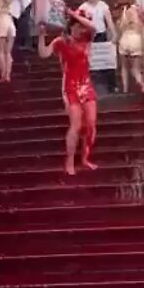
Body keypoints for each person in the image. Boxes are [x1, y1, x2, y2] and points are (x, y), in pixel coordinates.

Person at [38, 9, 99, 175]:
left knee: (91, 124)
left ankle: (85, 158)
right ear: (70, 27)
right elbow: (44, 54)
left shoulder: (88, 39)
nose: (81, 30)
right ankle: (70, 160)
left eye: (82, 27)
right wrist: (42, 35)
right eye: (78, 27)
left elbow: (93, 27)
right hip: (70, 86)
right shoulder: (61, 41)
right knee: (76, 125)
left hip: (86, 85)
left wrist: (74, 14)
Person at [117, 4, 144, 94]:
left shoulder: (125, 13)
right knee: (135, 68)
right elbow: (143, 27)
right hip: (136, 39)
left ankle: (125, 88)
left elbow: (120, 28)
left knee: (124, 67)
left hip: (125, 38)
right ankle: (142, 83)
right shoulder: (139, 12)